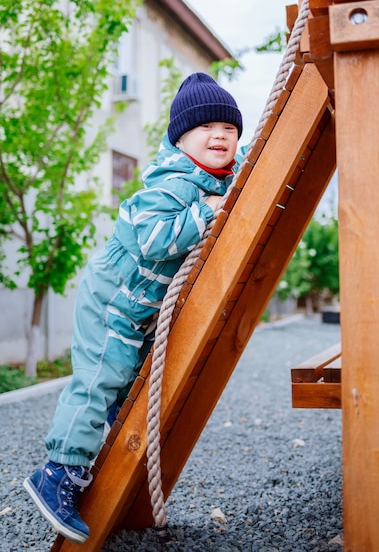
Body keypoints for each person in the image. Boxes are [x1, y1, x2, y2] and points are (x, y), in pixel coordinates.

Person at [23, 72, 244, 544]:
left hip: (136, 308)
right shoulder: (175, 180)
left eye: (229, 128)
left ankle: (105, 465)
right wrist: (203, 210)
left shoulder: (218, 177)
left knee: (129, 393)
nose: (220, 135)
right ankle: (58, 472)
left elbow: (243, 167)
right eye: (207, 128)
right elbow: (149, 238)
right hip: (112, 298)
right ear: (180, 139)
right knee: (97, 381)